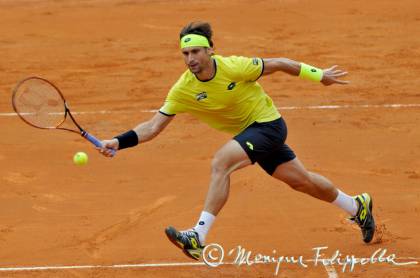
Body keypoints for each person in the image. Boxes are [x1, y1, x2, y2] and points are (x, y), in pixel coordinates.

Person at [97, 22, 375, 260]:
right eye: (185, 53)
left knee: (221, 162)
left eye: (195, 51)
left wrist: (320, 76)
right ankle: (356, 206)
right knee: (303, 181)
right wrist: (118, 142)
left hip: (268, 125)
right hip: (250, 135)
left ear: (209, 50)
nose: (190, 58)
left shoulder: (234, 67)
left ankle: (198, 236)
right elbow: (153, 126)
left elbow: (279, 64)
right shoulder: (183, 89)